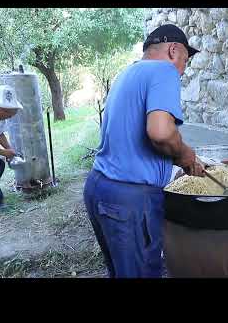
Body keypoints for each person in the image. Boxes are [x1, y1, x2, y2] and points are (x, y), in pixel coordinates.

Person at [83, 24, 205, 278]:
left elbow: (127, 137)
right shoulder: (164, 71)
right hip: (130, 202)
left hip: (98, 187)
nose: (183, 71)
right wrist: (186, 155)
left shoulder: (127, 74)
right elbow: (161, 132)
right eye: (185, 61)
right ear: (173, 50)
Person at [0, 84, 23, 208]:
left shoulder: (0, 119)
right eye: (10, 115)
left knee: (0, 164)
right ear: (1, 109)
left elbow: (0, 133)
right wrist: (4, 153)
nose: (11, 117)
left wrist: (9, 148)